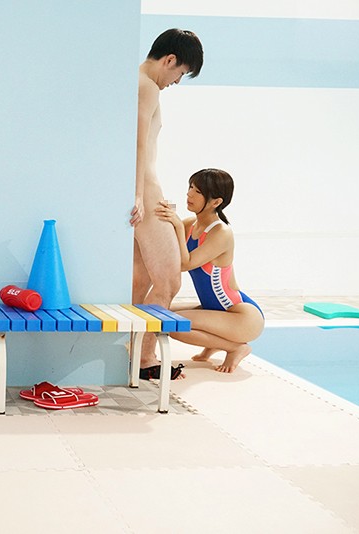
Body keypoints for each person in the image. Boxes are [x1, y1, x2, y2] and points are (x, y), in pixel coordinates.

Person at [132, 28, 203, 380]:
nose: (176, 81)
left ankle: (129, 356)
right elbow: (138, 144)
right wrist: (138, 195)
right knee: (168, 281)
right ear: (170, 59)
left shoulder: (135, 82)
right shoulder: (147, 86)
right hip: (146, 194)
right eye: (180, 73)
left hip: (143, 192)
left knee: (139, 280)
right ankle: (145, 360)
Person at [155, 168, 264, 373]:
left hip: (241, 316)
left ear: (216, 202)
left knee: (170, 324)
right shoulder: (190, 224)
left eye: (198, 192)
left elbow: (185, 264)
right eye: (190, 187)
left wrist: (177, 225)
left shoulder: (221, 232)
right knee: (158, 313)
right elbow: (168, 244)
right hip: (213, 309)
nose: (189, 194)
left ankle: (235, 348)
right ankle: (215, 343)